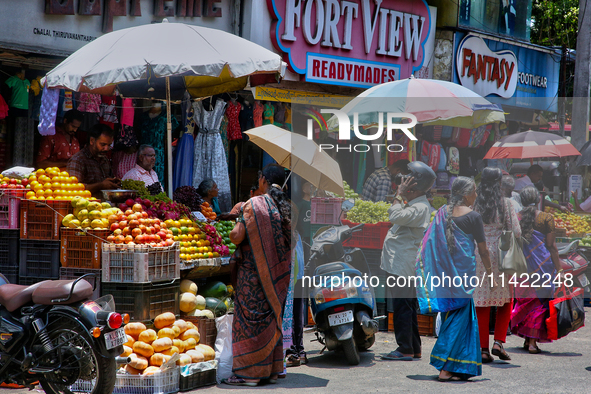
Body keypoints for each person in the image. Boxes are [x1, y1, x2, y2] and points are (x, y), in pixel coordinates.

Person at [416, 177, 493, 381]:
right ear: (467, 194)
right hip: (464, 277)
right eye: (474, 191)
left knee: (455, 317)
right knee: (459, 320)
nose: (476, 195)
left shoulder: (441, 214)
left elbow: (428, 246)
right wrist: (491, 272)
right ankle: (446, 368)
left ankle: (458, 366)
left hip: (445, 277)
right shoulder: (474, 217)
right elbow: (484, 251)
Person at [223, 164, 291, 386]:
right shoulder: (288, 207)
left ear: (263, 180)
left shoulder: (254, 204)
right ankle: (272, 372)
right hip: (277, 278)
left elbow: (235, 236)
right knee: (271, 317)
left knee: (249, 321)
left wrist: (239, 217)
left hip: (252, 276)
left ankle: (250, 375)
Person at [380, 161, 436, 361]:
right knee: (407, 305)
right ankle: (413, 346)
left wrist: (398, 193)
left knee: (403, 305)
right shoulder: (415, 204)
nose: (402, 182)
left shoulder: (420, 207)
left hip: (403, 265)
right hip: (401, 263)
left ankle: (405, 348)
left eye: (407, 179)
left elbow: (394, 214)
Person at [473, 168, 521, 363]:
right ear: (499, 183)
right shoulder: (506, 203)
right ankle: (498, 342)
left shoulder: (475, 203)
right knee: (506, 299)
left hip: (479, 253)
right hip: (502, 255)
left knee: (482, 300)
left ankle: (483, 348)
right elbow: (516, 232)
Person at [511, 186, 563, 354]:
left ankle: (527, 340)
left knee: (528, 301)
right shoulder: (546, 218)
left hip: (523, 267)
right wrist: (559, 269)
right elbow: (551, 246)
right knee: (539, 304)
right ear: (538, 199)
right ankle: (532, 342)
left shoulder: (517, 218)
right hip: (543, 266)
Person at [286, 181, 312, 367]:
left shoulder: (289, 238)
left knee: (292, 312)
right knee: (298, 311)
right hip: (298, 278)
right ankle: (299, 350)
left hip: (290, 280)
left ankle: (293, 350)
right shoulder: (297, 238)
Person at [67, 124, 120, 198]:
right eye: (103, 144)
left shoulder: (104, 159)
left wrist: (113, 182)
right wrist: (101, 185)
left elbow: (107, 180)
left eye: (109, 145)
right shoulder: (78, 160)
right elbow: (73, 189)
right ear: (92, 141)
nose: (106, 149)